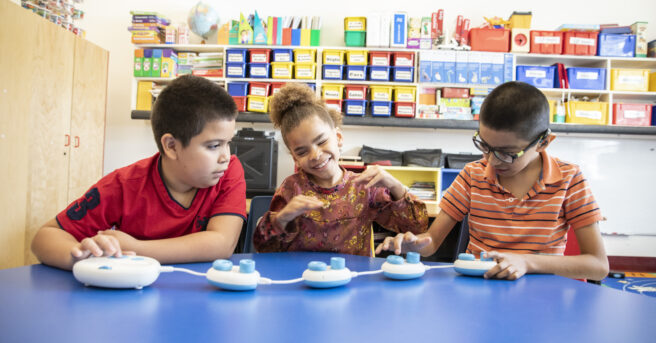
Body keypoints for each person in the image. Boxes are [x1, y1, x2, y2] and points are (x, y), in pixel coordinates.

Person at [376, 81, 609, 281]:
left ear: (543, 142)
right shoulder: (472, 175)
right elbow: (433, 242)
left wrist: (527, 263)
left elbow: (598, 266)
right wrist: (414, 244)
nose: (492, 160)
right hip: (479, 288)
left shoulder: (569, 180)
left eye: (507, 153)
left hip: (541, 294)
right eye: (484, 146)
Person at [31, 75, 247, 270]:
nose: (225, 156)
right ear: (171, 146)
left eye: (228, 143)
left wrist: (136, 248)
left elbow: (221, 243)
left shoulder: (229, 171)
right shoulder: (123, 185)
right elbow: (44, 238)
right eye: (213, 146)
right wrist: (83, 257)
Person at [253, 83, 429, 256]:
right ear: (295, 158)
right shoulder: (291, 188)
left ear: (338, 138)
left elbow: (417, 227)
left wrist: (394, 185)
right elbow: (264, 249)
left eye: (321, 141)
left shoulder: (364, 187)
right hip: (303, 279)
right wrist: (282, 218)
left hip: (353, 280)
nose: (315, 155)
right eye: (302, 151)